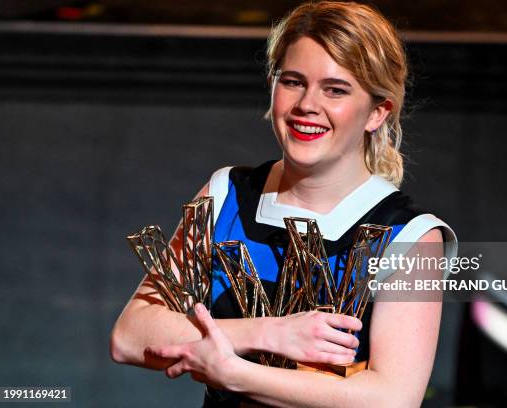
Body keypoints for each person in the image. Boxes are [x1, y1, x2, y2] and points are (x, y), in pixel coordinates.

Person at [110, 1, 456, 407]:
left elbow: (391, 399)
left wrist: (235, 373)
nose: (307, 105)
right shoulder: (226, 195)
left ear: (377, 113)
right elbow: (130, 336)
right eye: (292, 81)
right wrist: (268, 332)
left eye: (335, 89)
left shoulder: (411, 236)